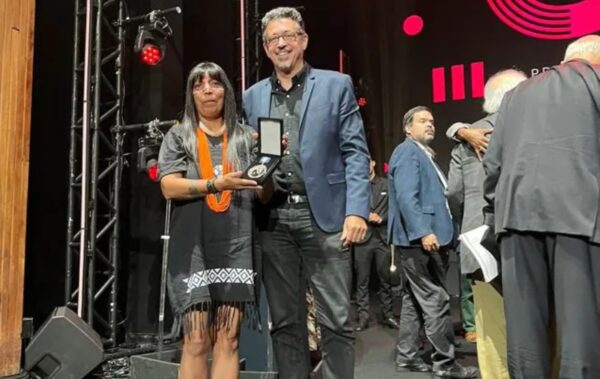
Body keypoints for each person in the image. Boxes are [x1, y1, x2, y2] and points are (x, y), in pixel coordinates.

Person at [243, 7, 371, 379]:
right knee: (284, 323)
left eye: (288, 35)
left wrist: (357, 211)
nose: (281, 43)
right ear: (266, 48)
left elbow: (355, 151)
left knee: (336, 319)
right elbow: (253, 156)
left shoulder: (335, 84)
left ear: (303, 40)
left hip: (327, 218)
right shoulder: (252, 97)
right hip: (274, 219)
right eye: (272, 39)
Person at [483, 35, 600, 379]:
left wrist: (497, 213)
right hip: (580, 218)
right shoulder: (595, 82)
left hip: (515, 219)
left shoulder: (516, 95)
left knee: (524, 342)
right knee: (580, 339)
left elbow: (493, 166)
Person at [158, 62, 263, 379]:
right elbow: (168, 187)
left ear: (226, 91)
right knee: (196, 339)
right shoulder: (179, 136)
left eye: (215, 83)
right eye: (198, 84)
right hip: (193, 248)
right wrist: (215, 184)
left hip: (237, 244)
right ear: (191, 93)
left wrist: (271, 162)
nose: (207, 89)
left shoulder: (246, 137)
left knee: (228, 339)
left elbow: (264, 193)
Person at [447, 69, 527, 378]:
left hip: (482, 246)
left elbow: (454, 193)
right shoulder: (531, 125)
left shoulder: (467, 139)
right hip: (527, 240)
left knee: (492, 330)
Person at [388, 106, 478, 378]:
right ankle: (445, 365)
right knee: (437, 300)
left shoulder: (423, 155)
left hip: (426, 239)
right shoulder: (407, 152)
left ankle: (407, 357)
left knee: (414, 301)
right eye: (422, 121)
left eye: (432, 121)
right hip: (420, 241)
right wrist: (422, 231)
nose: (430, 125)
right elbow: (406, 196)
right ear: (407, 128)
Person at [354, 159, 398, 332]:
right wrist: (366, 214)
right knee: (361, 280)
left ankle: (388, 315)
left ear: (372, 163)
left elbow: (394, 208)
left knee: (385, 279)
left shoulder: (386, 184)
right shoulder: (357, 187)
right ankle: (363, 317)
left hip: (382, 238)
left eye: (366, 163)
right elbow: (349, 206)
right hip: (363, 238)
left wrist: (382, 218)